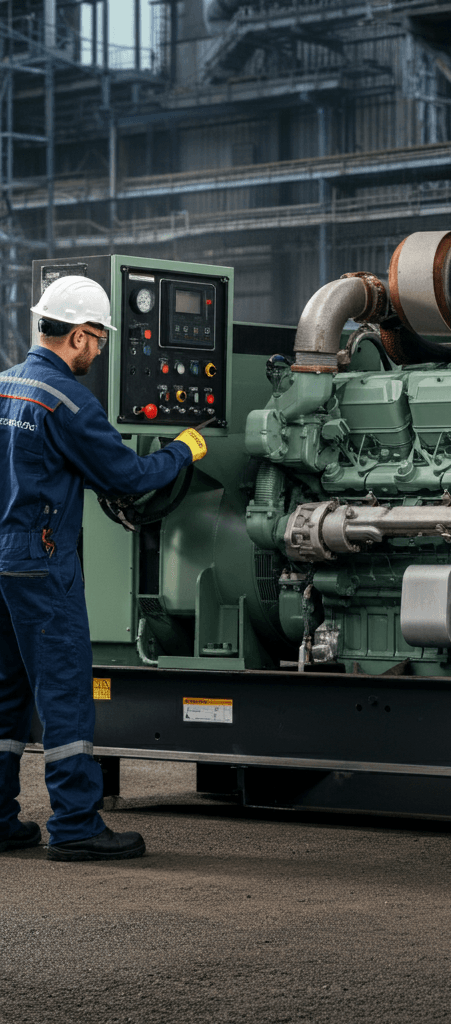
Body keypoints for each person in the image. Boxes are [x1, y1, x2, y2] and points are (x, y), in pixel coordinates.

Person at [0, 275, 207, 862]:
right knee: (64, 691)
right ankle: (75, 827)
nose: (100, 351)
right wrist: (182, 449)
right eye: (100, 340)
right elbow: (127, 477)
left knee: (4, 694)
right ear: (82, 336)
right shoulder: (68, 402)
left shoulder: (2, 388)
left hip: (0, 560)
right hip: (42, 564)